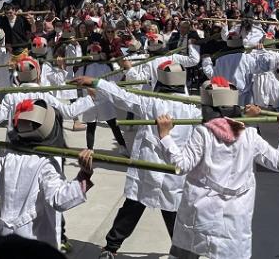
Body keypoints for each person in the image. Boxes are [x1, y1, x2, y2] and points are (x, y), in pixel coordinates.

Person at [156, 77, 279, 259]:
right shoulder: (249, 135)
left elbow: (181, 165)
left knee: (186, 251)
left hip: (201, 211)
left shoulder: (204, 133)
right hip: (235, 214)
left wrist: (165, 135)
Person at [72, 70, 202, 259]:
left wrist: (97, 82)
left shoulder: (151, 102)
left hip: (150, 170)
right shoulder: (194, 109)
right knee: (174, 217)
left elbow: (121, 97)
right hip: (174, 172)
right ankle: (185, 254)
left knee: (132, 211)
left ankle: (110, 247)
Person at [0, 100, 94, 249]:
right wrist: (84, 175)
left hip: (2, 234)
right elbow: (59, 200)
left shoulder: (8, 157)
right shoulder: (45, 163)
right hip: (32, 237)